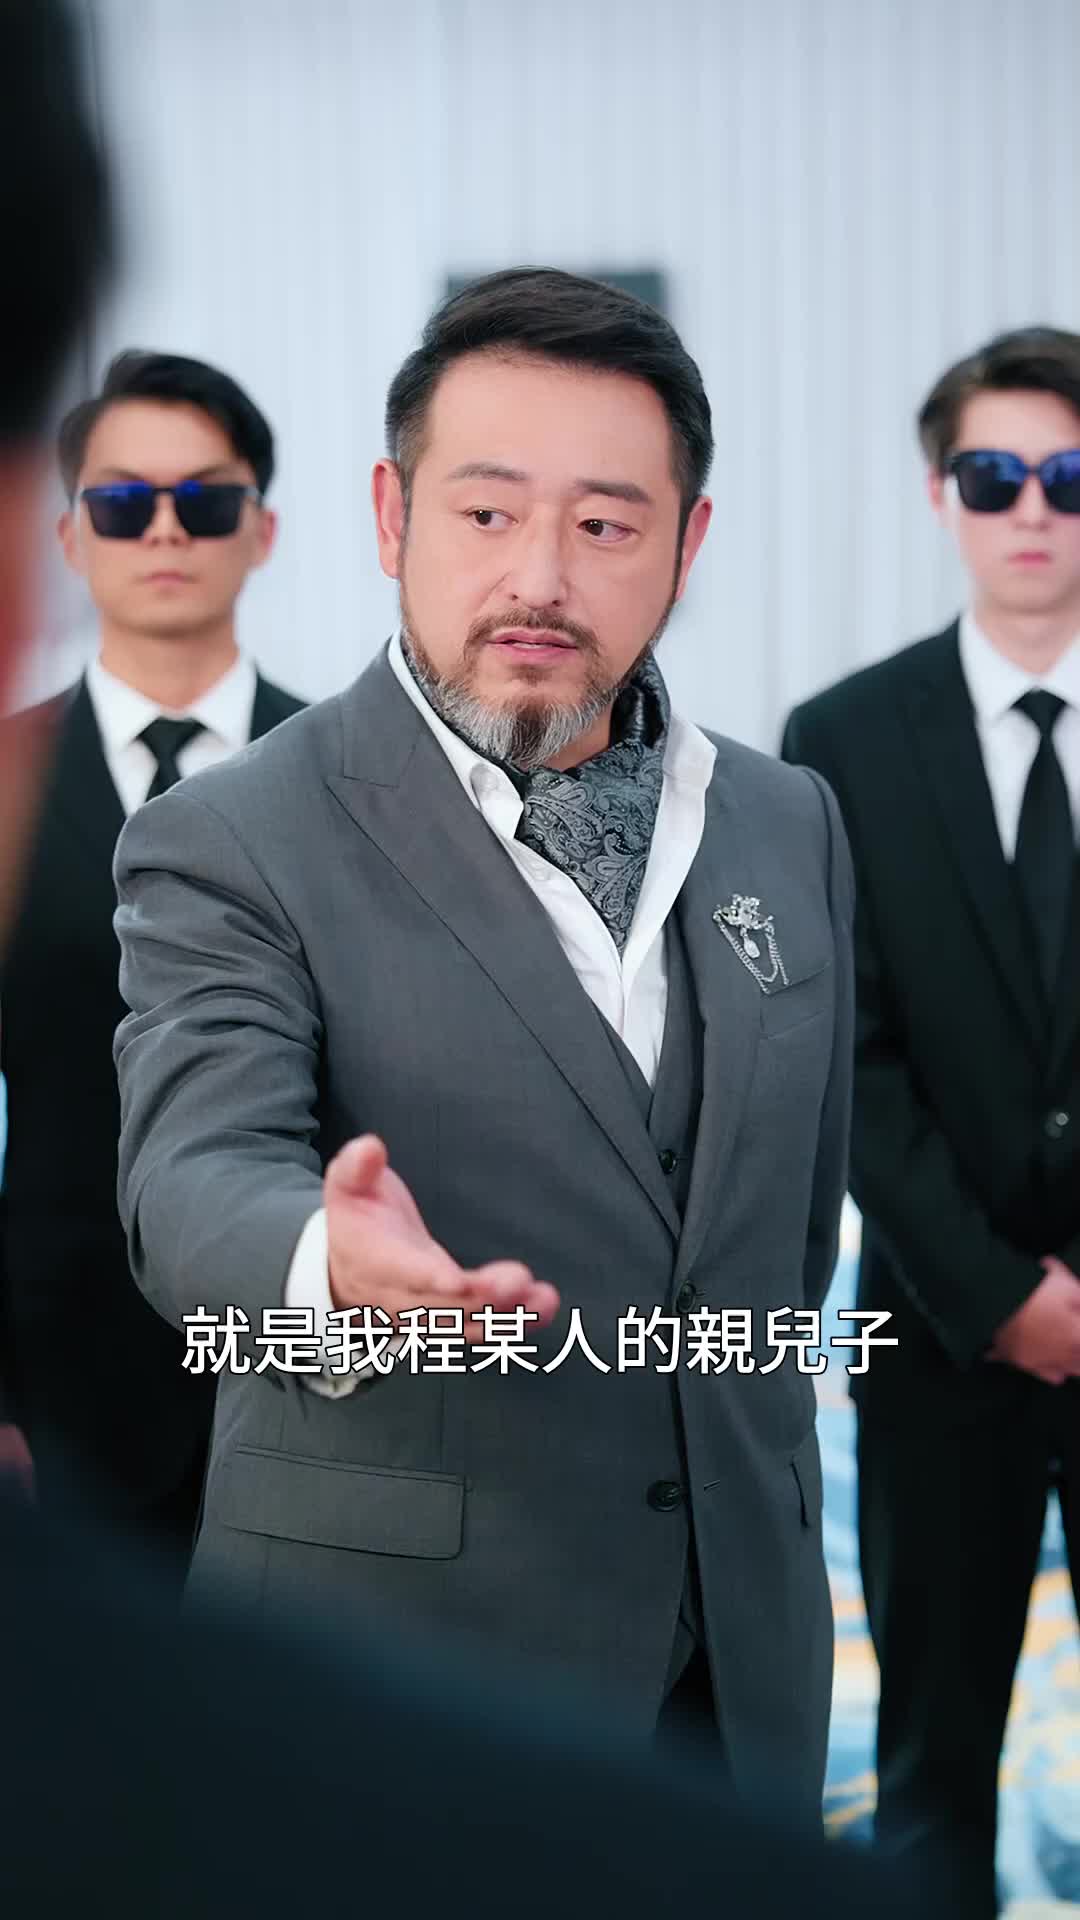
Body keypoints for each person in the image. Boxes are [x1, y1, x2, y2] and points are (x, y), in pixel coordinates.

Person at [113, 265, 855, 1818]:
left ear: (687, 545)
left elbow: (783, 1239)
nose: (541, 577)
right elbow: (190, 1174)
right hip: (397, 1672)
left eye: (607, 526)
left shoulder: (788, 820)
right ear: (392, 518)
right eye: (487, 512)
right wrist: (326, 1260)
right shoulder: (234, 835)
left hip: (740, 1673)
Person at [781, 325, 1080, 1914]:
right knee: (930, 1771)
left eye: (1068, 478)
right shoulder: (840, 741)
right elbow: (847, 1051)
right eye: (994, 475)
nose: (1031, 509)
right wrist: (1002, 1294)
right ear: (940, 493)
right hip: (943, 1336)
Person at [0, 348, 304, 1566]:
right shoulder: (6, 787)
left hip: (306, 1370)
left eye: (206, 501)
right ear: (71, 536)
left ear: (262, 530)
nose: (165, 531)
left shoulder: (358, 779)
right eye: (124, 502)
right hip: (53, 1384)